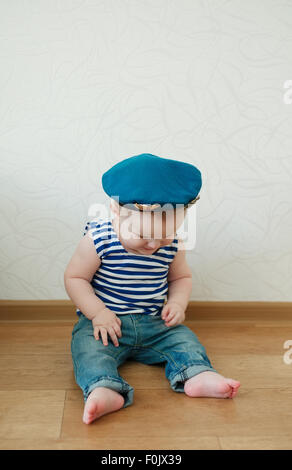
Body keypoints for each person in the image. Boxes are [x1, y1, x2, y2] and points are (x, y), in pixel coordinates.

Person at [64, 153, 241, 425]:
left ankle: (197, 374)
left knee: (184, 341)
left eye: (164, 236)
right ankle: (103, 387)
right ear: (116, 212)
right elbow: (75, 278)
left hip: (155, 321)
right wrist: (97, 313)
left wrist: (178, 304)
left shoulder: (169, 244)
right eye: (144, 236)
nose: (153, 246)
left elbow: (181, 277)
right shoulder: (98, 239)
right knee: (88, 349)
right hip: (105, 322)